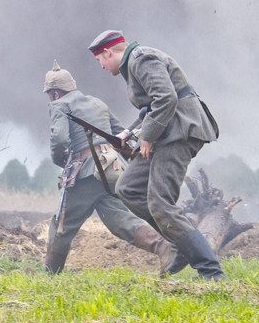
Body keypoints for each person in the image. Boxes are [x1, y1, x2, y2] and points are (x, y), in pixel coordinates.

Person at [87, 31, 225, 281]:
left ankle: (212, 272)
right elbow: (149, 108)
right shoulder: (134, 64)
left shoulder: (141, 59)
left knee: (160, 202)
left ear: (108, 52)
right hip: (167, 132)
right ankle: (181, 243)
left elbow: (166, 98)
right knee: (128, 188)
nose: (103, 67)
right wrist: (128, 133)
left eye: (100, 61)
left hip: (179, 132)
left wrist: (147, 137)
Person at [44, 61, 186, 276]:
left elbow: (59, 139)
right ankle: (162, 246)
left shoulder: (59, 105)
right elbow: (122, 134)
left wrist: (59, 160)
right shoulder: (97, 103)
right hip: (112, 171)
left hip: (85, 174)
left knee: (61, 224)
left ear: (55, 93)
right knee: (119, 219)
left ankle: (49, 276)